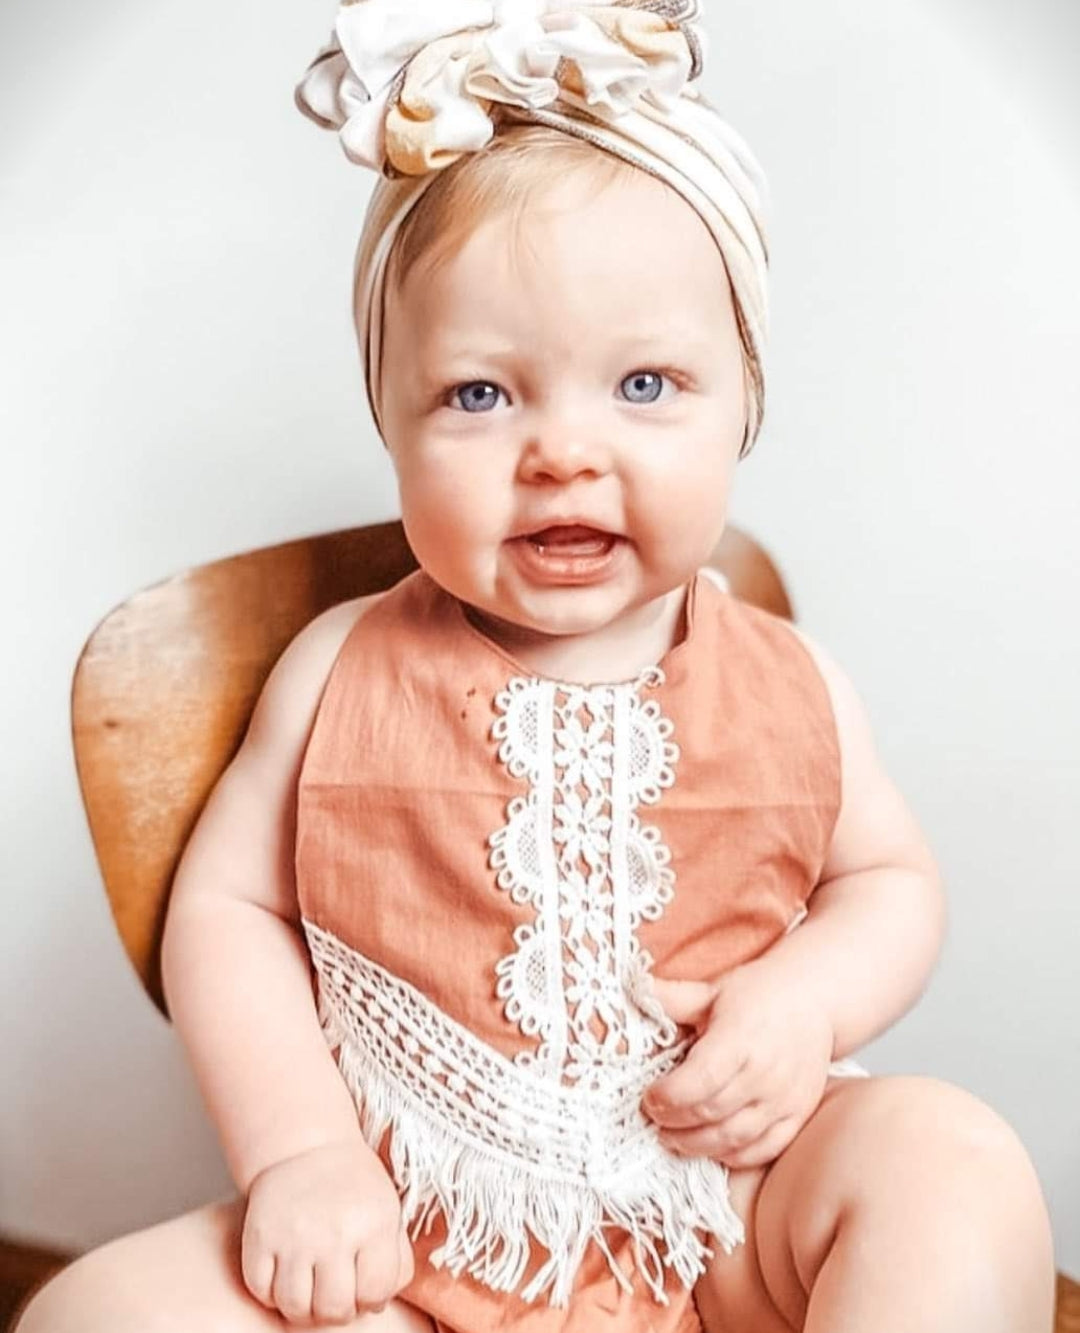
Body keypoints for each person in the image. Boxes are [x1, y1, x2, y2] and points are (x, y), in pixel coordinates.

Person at [19, 2, 1055, 1331]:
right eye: (480, 394)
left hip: (722, 1216)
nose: (563, 453)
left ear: (744, 400)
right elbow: (229, 909)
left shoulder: (792, 685)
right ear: (390, 422)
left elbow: (890, 883)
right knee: (94, 1312)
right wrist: (301, 1154)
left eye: (644, 385)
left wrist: (804, 1001)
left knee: (957, 1166)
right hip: (415, 1233)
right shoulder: (341, 671)